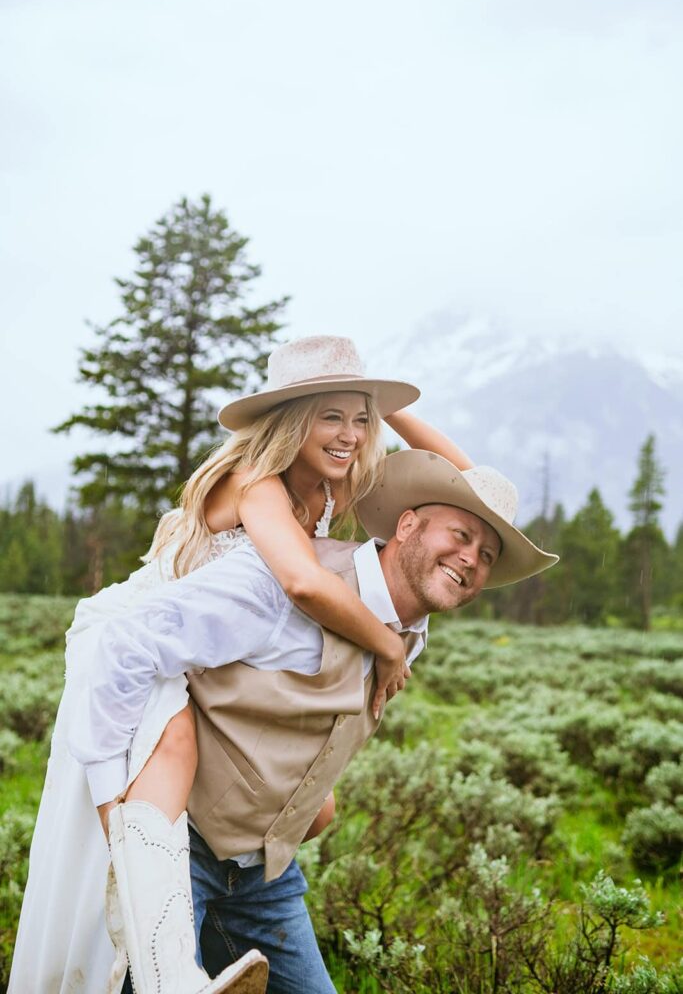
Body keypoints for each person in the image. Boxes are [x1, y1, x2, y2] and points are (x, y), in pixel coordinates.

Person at [9, 336, 474, 994]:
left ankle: (198, 921)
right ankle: (166, 964)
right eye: (330, 416)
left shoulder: (334, 479)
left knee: (313, 810)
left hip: (208, 641)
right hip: (151, 630)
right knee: (173, 749)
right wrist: (388, 644)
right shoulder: (257, 483)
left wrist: (384, 405)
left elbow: (467, 485)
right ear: (290, 418)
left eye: (358, 419)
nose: (348, 435)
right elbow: (302, 583)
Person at [67, 449, 559, 994]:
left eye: (487, 554)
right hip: (180, 850)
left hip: (266, 873)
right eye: (461, 536)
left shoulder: (411, 630)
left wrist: (307, 803)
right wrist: (114, 805)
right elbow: (124, 644)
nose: (470, 559)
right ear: (407, 524)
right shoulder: (282, 582)